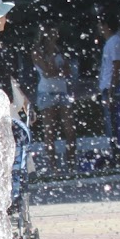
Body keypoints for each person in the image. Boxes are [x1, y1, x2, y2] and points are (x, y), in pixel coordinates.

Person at [32, 25, 77, 171]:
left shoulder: (60, 50)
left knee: (70, 130)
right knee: (50, 131)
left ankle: (71, 163)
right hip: (47, 93)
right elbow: (48, 72)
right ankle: (53, 167)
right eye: (52, 35)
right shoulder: (37, 51)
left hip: (62, 92)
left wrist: (58, 69)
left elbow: (67, 70)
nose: (55, 37)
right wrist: (51, 55)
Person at [95, 13, 120, 147]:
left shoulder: (115, 42)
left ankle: (118, 151)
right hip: (109, 88)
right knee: (111, 124)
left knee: (115, 124)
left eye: (100, 24)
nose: (99, 27)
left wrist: (111, 90)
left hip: (114, 88)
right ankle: (115, 150)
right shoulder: (110, 43)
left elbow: (117, 66)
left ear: (106, 26)